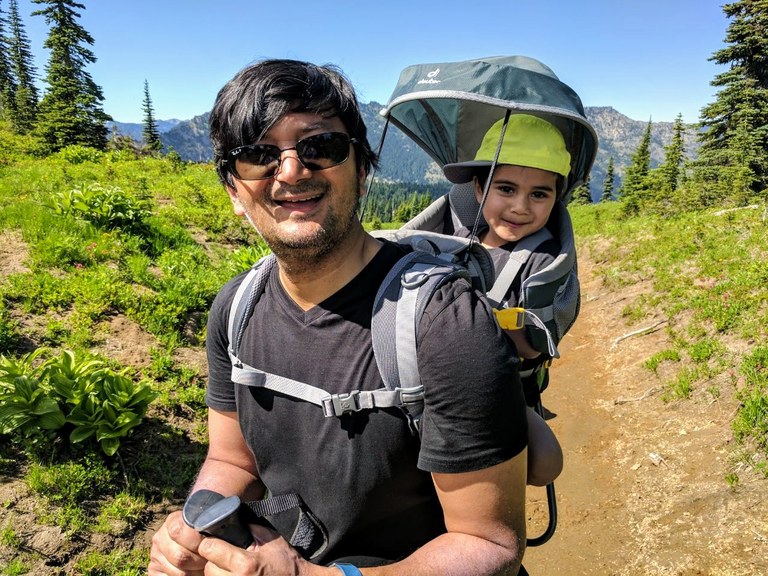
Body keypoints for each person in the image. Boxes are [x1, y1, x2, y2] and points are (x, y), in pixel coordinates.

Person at [148, 59, 529, 576]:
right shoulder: (236, 309)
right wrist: (195, 531)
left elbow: (490, 544)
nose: (290, 171)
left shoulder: (446, 325)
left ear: (363, 168)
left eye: (319, 147)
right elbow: (232, 461)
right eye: (258, 155)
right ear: (235, 191)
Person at [443, 114, 574, 487]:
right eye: (506, 189)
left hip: (498, 382)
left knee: (546, 464)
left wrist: (471, 316)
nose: (520, 207)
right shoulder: (456, 236)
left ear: (555, 198)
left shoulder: (542, 260)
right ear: (479, 190)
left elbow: (531, 349)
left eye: (538, 194)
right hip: (429, 372)